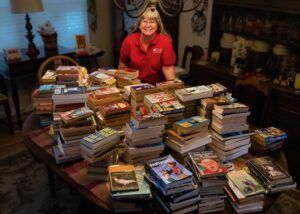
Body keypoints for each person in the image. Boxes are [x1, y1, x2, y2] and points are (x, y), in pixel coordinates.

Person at [119, 8, 176, 85]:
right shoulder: (129, 40)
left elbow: (168, 69)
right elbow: (123, 64)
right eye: (144, 21)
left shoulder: (165, 42)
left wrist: (172, 87)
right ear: (139, 25)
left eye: (152, 22)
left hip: (156, 87)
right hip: (134, 85)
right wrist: (123, 84)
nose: (148, 25)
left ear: (157, 25)